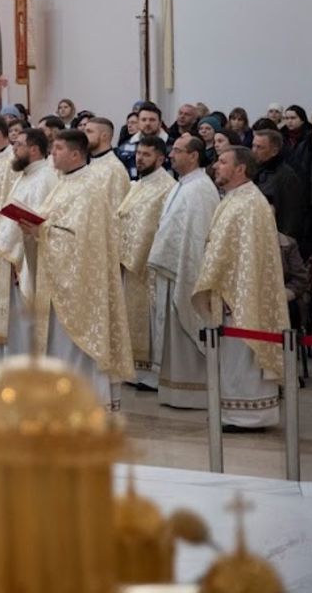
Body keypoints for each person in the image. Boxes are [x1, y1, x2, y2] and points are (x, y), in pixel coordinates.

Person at [21, 130, 135, 410]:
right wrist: (36, 229)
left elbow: (81, 240)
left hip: (80, 286)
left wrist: (42, 230)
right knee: (58, 346)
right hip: (57, 281)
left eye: (58, 148)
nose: (53, 153)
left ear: (75, 154)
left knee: (74, 347)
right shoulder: (64, 183)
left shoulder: (90, 188)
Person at [195, 146, 288, 429]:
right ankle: (232, 411)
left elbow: (249, 255)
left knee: (241, 358)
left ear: (241, 169)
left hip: (240, 295)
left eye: (223, 162)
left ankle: (247, 415)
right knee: (232, 357)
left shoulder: (250, 203)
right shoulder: (236, 198)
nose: (215, 166)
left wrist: (233, 288)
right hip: (229, 290)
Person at [149, 135, 220, 410]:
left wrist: (187, 265)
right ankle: (175, 390)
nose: (171, 155)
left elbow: (197, 236)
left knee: (187, 329)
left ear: (194, 156)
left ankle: (194, 391)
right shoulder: (183, 185)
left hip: (187, 271)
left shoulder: (201, 189)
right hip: (173, 269)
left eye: (178, 151)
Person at [0, 127, 58, 361]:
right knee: (13, 323)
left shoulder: (45, 178)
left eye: (18, 146)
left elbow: (37, 219)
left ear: (34, 149)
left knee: (23, 323)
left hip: (23, 260)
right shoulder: (25, 174)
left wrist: (18, 258)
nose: (14, 150)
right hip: (10, 256)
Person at [117, 137, 178, 388]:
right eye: (139, 153)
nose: (140, 158)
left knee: (152, 321)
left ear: (161, 159)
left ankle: (151, 375)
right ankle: (132, 369)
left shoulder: (167, 187)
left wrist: (134, 256)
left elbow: (158, 227)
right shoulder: (139, 184)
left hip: (148, 265)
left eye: (147, 155)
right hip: (128, 262)